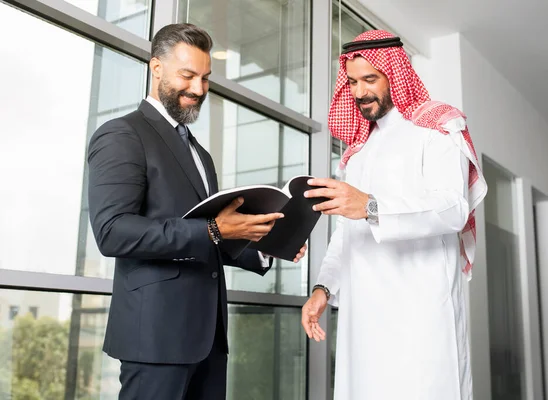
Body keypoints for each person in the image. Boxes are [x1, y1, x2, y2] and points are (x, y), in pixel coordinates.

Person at [87, 23, 306, 400]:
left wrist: (262, 244)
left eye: (205, 78)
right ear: (156, 68)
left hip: (208, 338)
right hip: (154, 338)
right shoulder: (122, 134)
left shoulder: (199, 153)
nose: (198, 89)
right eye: (187, 75)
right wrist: (216, 231)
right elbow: (113, 231)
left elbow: (209, 234)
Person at [301, 30, 487, 399]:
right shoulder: (358, 152)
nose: (359, 92)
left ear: (395, 74)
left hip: (420, 315)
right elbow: (347, 232)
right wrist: (324, 288)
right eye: (352, 82)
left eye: (370, 79)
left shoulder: (435, 128)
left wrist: (371, 206)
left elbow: (452, 208)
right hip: (363, 317)